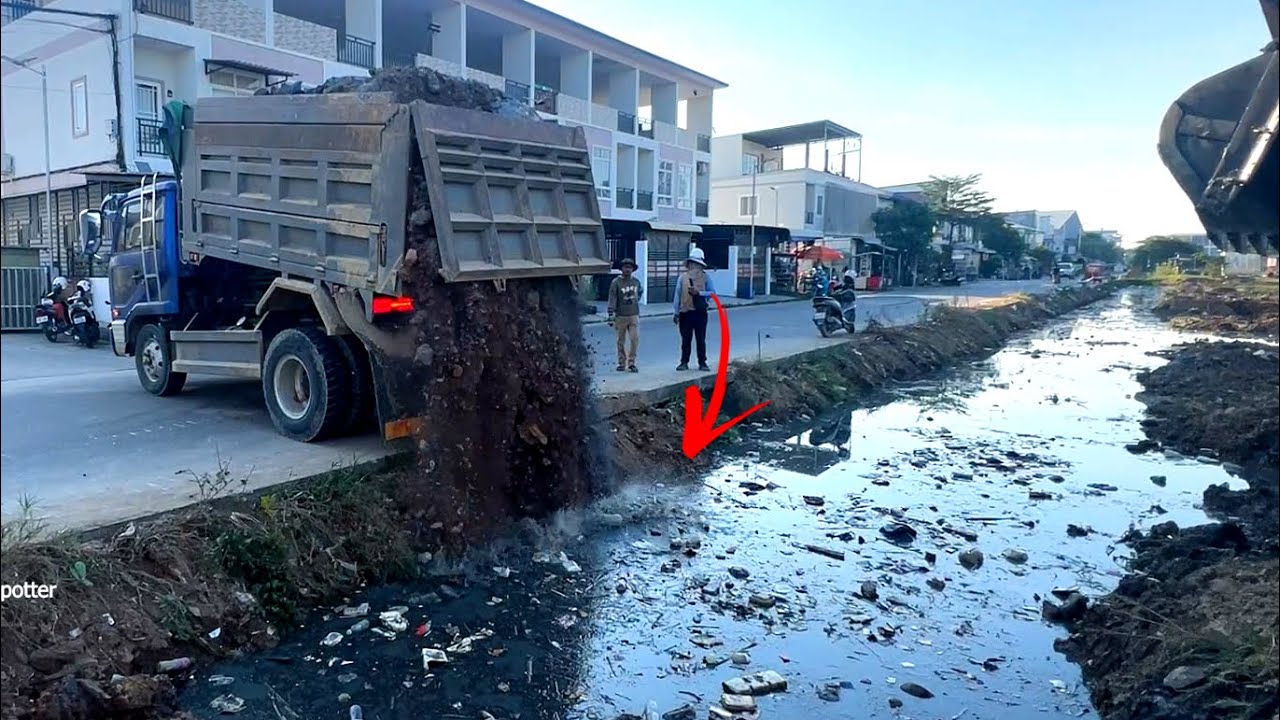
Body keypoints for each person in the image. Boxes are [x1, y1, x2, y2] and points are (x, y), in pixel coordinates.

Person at [672, 247, 716, 371]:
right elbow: (677, 295)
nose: (694, 266)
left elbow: (712, 293)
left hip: (700, 312)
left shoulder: (706, 278)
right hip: (685, 313)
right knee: (685, 339)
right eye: (692, 263)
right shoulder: (682, 278)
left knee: (700, 339)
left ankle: (702, 362)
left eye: (697, 264)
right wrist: (676, 313)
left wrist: (699, 293)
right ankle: (684, 362)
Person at [607, 258, 643, 372]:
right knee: (620, 341)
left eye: (630, 267)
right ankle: (621, 362)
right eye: (625, 267)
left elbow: (640, 292)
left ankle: (631, 362)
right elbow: (612, 298)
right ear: (621, 268)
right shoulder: (616, 282)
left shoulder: (636, 282)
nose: (627, 269)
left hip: (634, 315)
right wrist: (611, 315)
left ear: (633, 269)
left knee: (634, 339)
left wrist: (636, 302)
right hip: (620, 315)